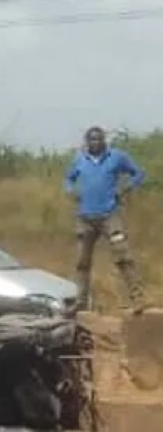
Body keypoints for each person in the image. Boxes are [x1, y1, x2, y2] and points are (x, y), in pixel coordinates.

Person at [64, 126, 147, 313]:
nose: (95, 143)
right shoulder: (79, 159)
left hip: (110, 215)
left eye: (99, 139)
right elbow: (68, 179)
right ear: (87, 142)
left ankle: (137, 299)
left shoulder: (116, 157)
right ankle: (81, 301)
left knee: (123, 256)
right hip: (85, 218)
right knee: (82, 262)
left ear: (104, 141)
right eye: (91, 140)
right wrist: (71, 190)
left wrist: (125, 189)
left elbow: (139, 173)